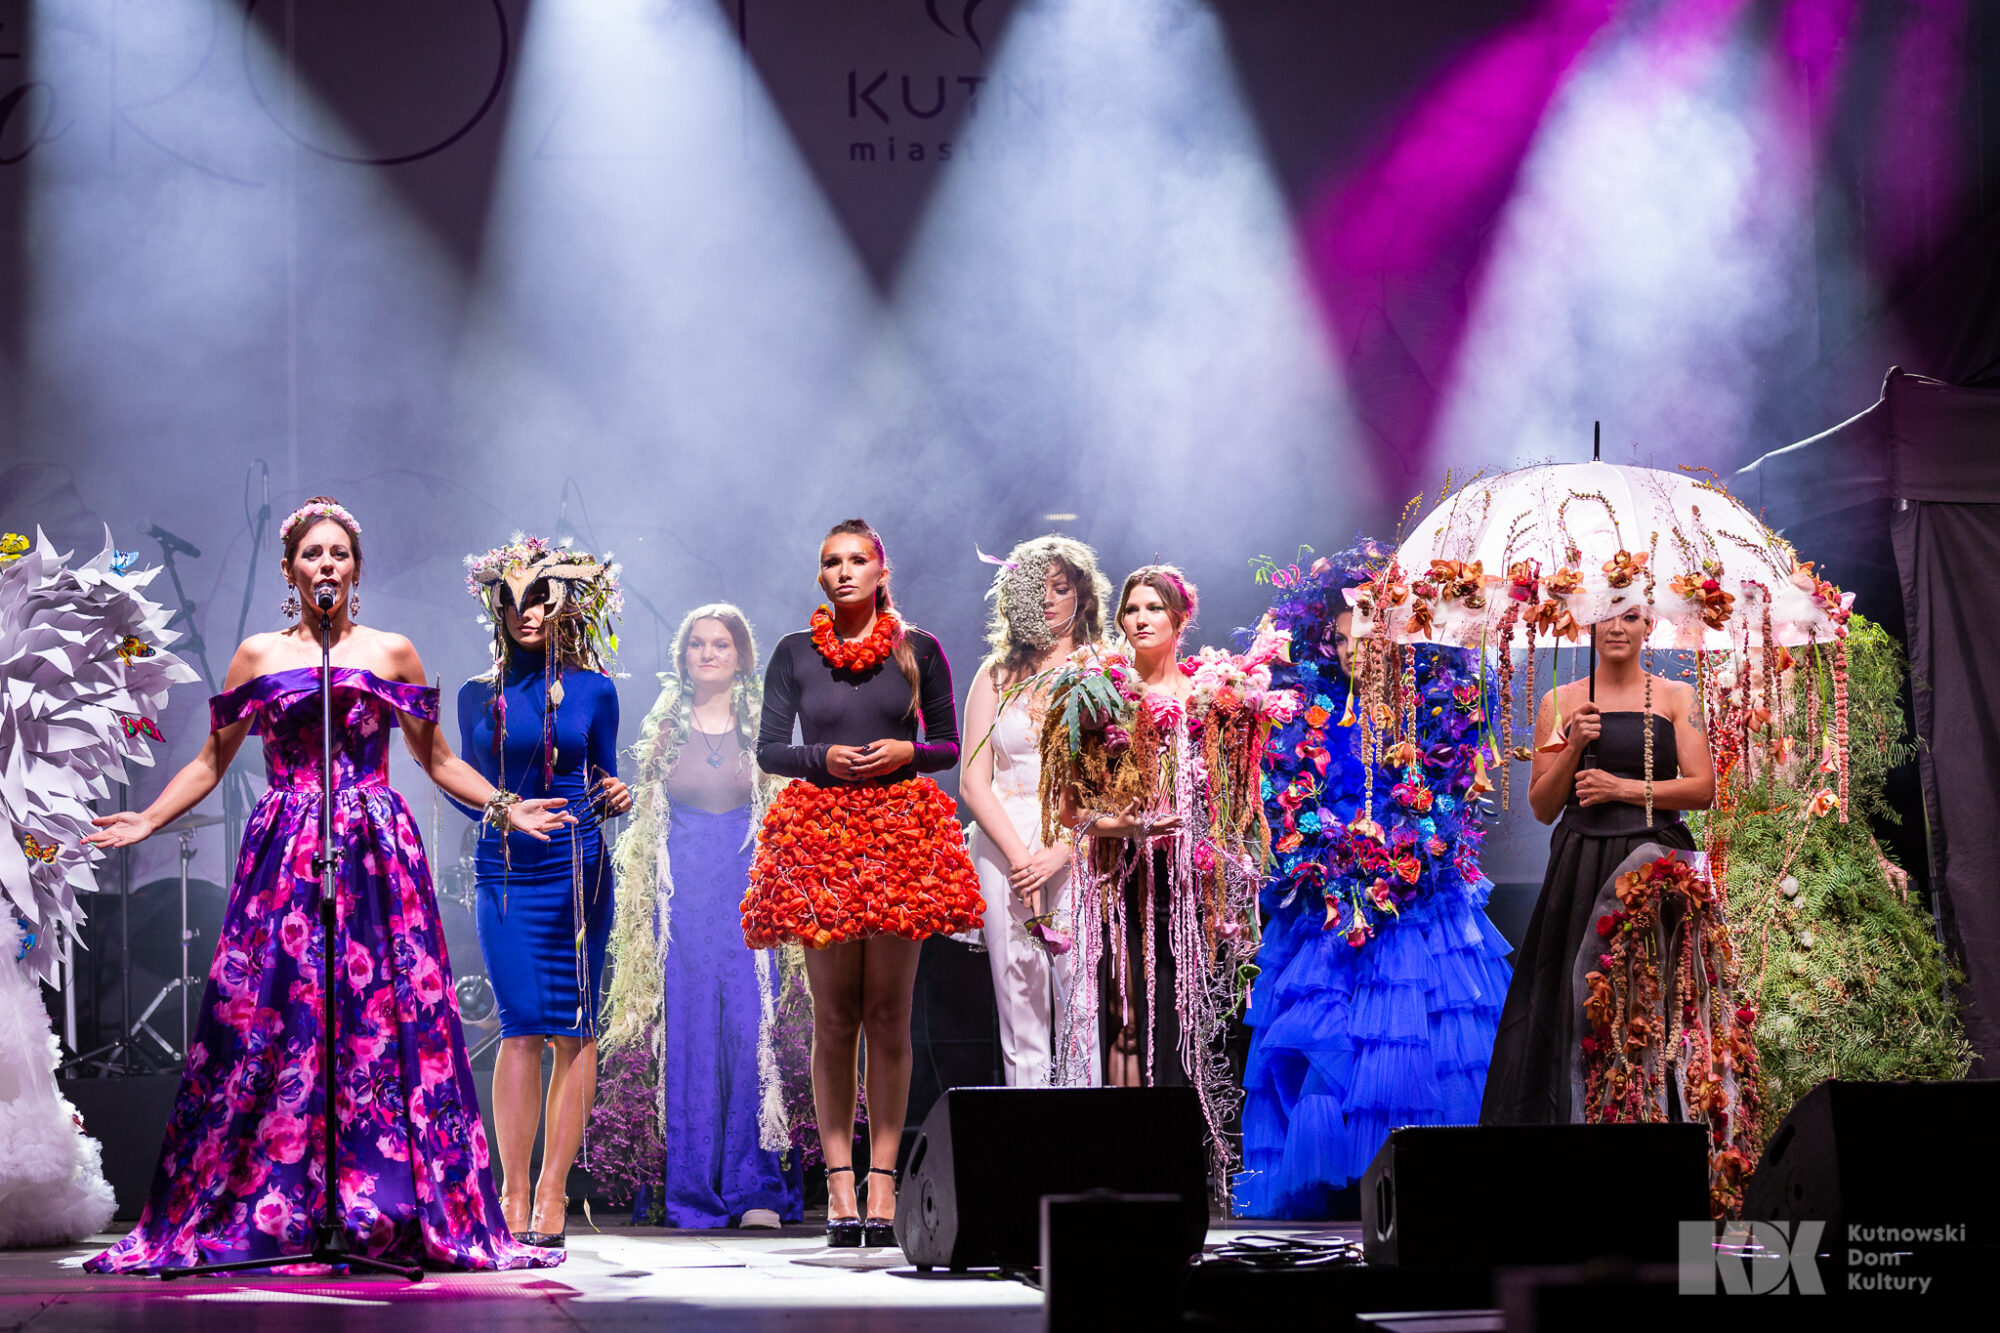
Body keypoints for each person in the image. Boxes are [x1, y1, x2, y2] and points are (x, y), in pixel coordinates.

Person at [83, 498, 568, 1273]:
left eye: (339, 552)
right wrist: (148, 817)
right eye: (313, 553)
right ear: (290, 570)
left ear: (356, 568)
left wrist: (504, 805)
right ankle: (276, 1198)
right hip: (287, 851)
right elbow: (211, 761)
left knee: (380, 1017)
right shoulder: (257, 655)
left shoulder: (392, 651)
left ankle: (385, 1198)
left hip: (374, 853)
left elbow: (438, 758)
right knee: (277, 1014)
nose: (327, 564)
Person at [1235, 540, 1512, 1219]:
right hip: (1329, 904)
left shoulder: (1434, 706)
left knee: (1413, 1041)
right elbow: (1287, 802)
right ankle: (1338, 1192)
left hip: (1417, 904)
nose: (1352, 646)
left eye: (1364, 632)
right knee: (1331, 1042)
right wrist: (1336, 854)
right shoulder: (1308, 711)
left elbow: (1451, 800)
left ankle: (1423, 1195)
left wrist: (1397, 853)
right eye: (1340, 634)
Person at [739, 519, 982, 1248]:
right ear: (820, 576)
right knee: (835, 1017)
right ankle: (839, 1185)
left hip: (899, 834)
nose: (843, 571)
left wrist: (907, 751)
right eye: (831, 562)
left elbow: (948, 745)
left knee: (888, 1014)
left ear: (881, 570)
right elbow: (770, 749)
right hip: (820, 835)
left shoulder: (919, 649)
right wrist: (823, 758)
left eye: (856, 560)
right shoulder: (795, 652)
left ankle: (885, 1182)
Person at [1038, 566, 1294, 1181]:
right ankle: (1130, 1168)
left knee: (1192, 1022)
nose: (1141, 618)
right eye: (1131, 609)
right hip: (1123, 880)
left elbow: (1239, 797)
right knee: (1127, 1023)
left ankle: (1184, 1169)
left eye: (1154, 607)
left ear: (1181, 618)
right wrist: (1128, 826)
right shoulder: (1101, 693)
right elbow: (1071, 811)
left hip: (1193, 885)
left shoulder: (1216, 698)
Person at [592, 604, 804, 1230]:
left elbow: (781, 812)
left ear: (741, 657)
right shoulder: (663, 730)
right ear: (683, 658)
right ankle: (691, 1188)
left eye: (721, 644)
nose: (708, 653)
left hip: (748, 898)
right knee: (686, 1034)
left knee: (749, 1028)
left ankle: (755, 1187)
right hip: (680, 902)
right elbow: (645, 827)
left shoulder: (763, 725)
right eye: (697, 644)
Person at [457, 536, 631, 1248]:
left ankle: (554, 1191)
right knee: (521, 1025)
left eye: (537, 597)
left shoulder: (596, 689)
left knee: (573, 1027)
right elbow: (464, 788)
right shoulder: (476, 694)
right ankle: (513, 1189)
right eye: (510, 599)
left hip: (576, 869)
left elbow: (604, 775)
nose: (523, 611)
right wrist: (505, 810)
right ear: (494, 608)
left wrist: (616, 793)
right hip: (505, 871)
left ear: (564, 603)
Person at [1480, 604, 1715, 1125]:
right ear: (1587, 624)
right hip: (1580, 864)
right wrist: (1575, 746)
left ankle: (1664, 1132)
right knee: (1575, 998)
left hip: (1655, 865)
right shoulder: (1560, 701)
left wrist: (1621, 788)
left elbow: (1703, 789)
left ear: (1648, 625)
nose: (1616, 627)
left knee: (1655, 998)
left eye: (1630, 616)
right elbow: (1543, 807)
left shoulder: (1677, 696)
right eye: (1605, 615)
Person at [958, 537, 1110, 1088]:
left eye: (1059, 588)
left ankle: (1085, 1134)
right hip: (1003, 843)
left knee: (1080, 1005)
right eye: (1035, 589)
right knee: (1018, 1000)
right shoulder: (996, 675)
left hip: (1079, 842)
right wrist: (1022, 861)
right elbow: (973, 781)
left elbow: (1115, 783)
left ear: (1082, 595)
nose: (1046, 600)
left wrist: (1060, 853)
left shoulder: (1104, 670)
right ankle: (1028, 1134)